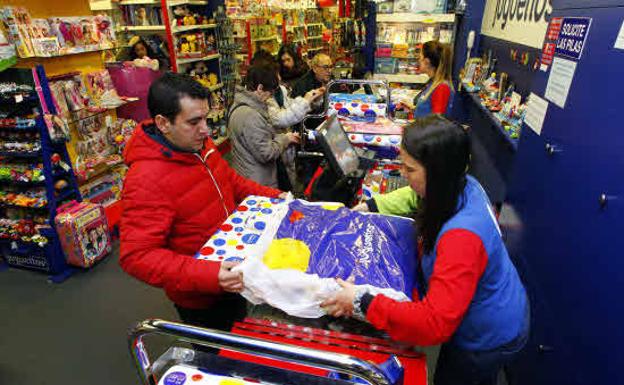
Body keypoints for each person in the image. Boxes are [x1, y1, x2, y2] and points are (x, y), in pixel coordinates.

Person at [323, 115, 529, 385]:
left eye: (409, 169)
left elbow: (434, 323)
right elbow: (415, 194)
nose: (403, 175)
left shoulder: (462, 238)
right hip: (489, 306)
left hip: (487, 333)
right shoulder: (463, 183)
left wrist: (363, 301)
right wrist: (371, 207)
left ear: (438, 171)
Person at [119, 73, 287, 331]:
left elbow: (231, 181)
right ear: (163, 123)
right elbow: (137, 256)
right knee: (218, 354)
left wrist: (277, 198)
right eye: (194, 121)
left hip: (233, 269)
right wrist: (209, 275)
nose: (206, 129)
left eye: (206, 118)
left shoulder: (199, 144)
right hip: (201, 296)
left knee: (242, 333)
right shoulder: (145, 179)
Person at [229, 64, 301, 188]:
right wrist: (285, 139)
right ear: (260, 88)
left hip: (247, 174)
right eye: (270, 93)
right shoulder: (251, 115)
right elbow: (266, 153)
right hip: (258, 182)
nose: (269, 98)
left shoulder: (239, 105)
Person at [408, 40, 454, 117]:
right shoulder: (432, 82)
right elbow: (427, 111)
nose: (418, 60)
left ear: (427, 62)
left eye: (420, 57)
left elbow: (436, 123)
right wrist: (412, 108)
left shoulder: (442, 88)